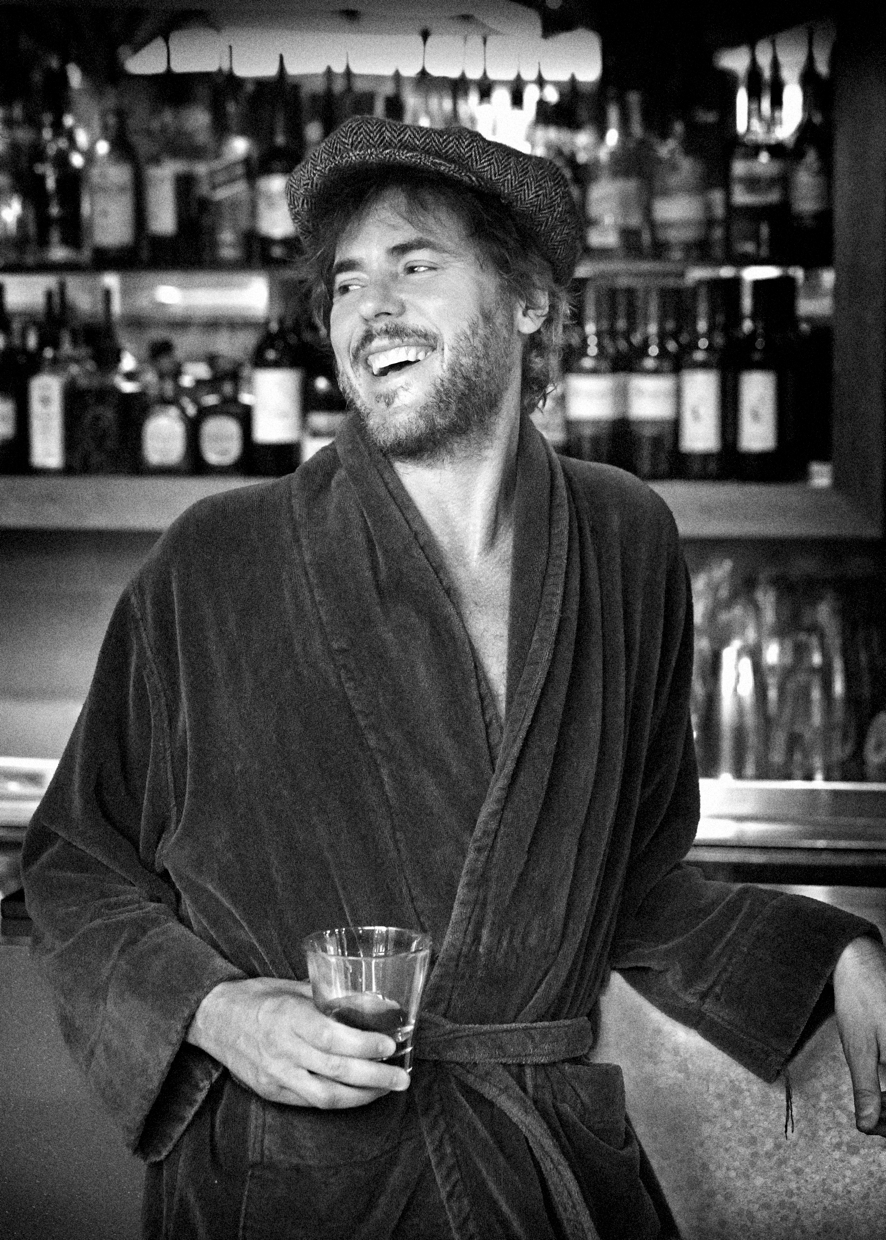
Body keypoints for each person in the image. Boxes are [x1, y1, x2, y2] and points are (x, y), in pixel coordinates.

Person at [22, 116, 886, 1240]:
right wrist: (216, 1010)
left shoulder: (624, 540)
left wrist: (828, 950)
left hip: (549, 1176)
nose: (369, 309)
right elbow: (76, 860)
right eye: (346, 283)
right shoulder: (215, 560)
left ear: (528, 300)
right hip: (297, 1184)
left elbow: (632, 881)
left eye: (416, 266)